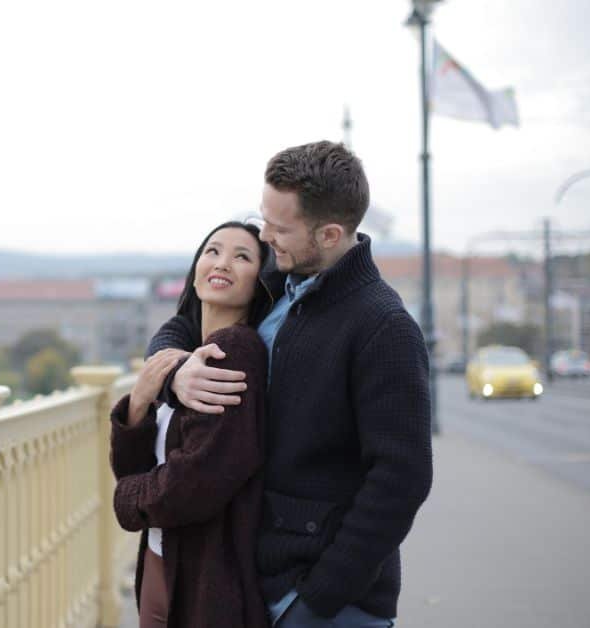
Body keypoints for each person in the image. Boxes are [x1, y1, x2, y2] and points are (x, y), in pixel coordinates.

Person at [148, 141, 433, 627]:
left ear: (330, 234)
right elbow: (187, 319)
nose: (265, 236)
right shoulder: (280, 282)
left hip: (329, 605)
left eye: (279, 228)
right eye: (264, 218)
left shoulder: (382, 325)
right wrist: (174, 369)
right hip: (259, 580)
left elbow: (402, 478)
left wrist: (318, 599)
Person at [110, 221, 274, 628]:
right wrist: (139, 403)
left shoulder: (235, 349)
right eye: (213, 251)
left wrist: (124, 500)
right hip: (160, 562)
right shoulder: (182, 355)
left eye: (242, 256)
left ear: (260, 280)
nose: (223, 263)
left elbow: (197, 481)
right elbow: (132, 468)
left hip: (207, 580)